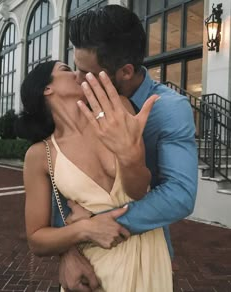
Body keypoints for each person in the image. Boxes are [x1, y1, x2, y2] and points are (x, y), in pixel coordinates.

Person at [54, 4, 198, 291]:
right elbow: (59, 176)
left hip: (144, 258)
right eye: (75, 68)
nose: (77, 82)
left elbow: (180, 195)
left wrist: (94, 226)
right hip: (84, 260)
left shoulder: (168, 109)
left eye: (86, 73)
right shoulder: (78, 101)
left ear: (126, 72)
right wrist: (66, 249)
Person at [16, 60, 173, 292]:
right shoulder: (40, 155)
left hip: (150, 252)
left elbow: (139, 190)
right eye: (66, 70)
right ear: (47, 89)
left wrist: (131, 157)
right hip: (96, 269)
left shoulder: (115, 109)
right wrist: (85, 229)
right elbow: (36, 239)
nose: (79, 73)